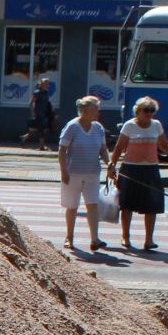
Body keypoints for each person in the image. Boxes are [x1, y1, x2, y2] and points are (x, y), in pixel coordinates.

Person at [107, 96, 168, 252]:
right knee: (127, 204)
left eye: (152, 110)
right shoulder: (129, 125)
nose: (149, 113)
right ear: (137, 111)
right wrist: (112, 165)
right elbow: (119, 148)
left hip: (150, 169)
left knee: (152, 205)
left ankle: (149, 240)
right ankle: (125, 236)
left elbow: (164, 146)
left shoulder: (156, 125)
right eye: (146, 110)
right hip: (130, 169)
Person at [59, 95, 111, 253]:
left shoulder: (98, 128)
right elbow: (62, 150)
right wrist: (64, 171)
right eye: (95, 110)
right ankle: (69, 237)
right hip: (73, 173)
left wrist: (109, 163)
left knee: (93, 204)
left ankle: (95, 239)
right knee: (72, 206)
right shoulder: (72, 126)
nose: (98, 113)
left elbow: (103, 149)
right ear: (85, 111)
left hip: (92, 173)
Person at [22, 77, 55, 149]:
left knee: (40, 128)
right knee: (41, 128)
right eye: (45, 84)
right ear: (42, 84)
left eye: (47, 84)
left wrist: (51, 110)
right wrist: (33, 112)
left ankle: (24, 137)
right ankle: (42, 146)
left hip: (45, 113)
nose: (47, 85)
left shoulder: (46, 92)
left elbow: (47, 102)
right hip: (38, 113)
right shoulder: (37, 93)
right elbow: (31, 103)